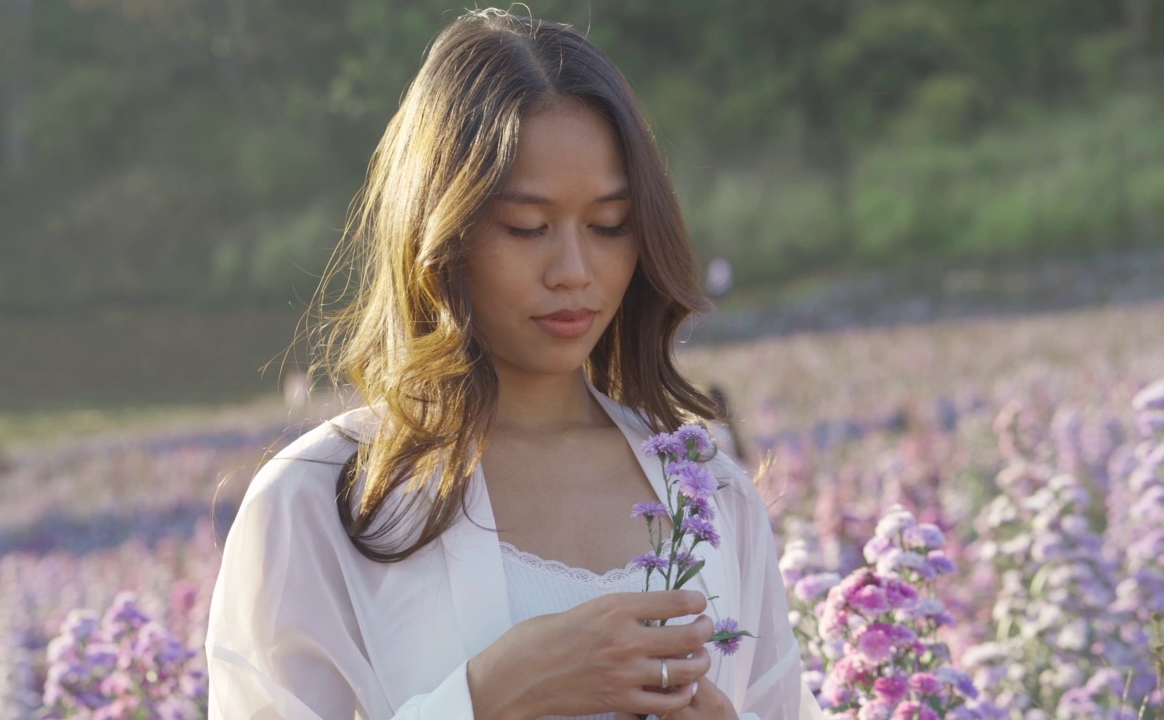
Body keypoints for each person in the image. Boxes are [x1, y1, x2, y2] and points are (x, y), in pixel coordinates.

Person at [206, 9, 817, 719]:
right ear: (443, 231)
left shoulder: (710, 491)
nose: (574, 271)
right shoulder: (323, 500)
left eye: (610, 226)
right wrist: (487, 695)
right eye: (528, 227)